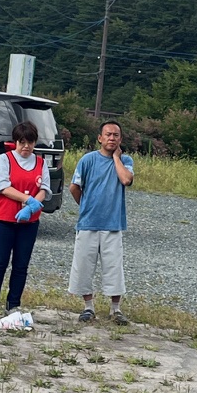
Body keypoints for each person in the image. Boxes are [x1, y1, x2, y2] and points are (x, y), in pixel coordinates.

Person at [69, 120, 135, 324]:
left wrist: (116, 158)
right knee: (84, 266)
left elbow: (126, 180)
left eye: (116, 135)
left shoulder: (126, 160)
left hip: (113, 223)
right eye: (108, 134)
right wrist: (86, 205)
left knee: (114, 267)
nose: (111, 138)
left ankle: (116, 309)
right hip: (88, 222)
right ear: (100, 138)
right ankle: (88, 307)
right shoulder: (87, 160)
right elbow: (74, 187)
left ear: (120, 139)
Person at [0, 120, 49, 313]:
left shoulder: (40, 162)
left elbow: (44, 189)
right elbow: (2, 187)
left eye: (30, 142)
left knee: (21, 265)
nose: (26, 147)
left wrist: (33, 205)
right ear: (16, 142)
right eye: (22, 142)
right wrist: (28, 200)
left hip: (29, 222)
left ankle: (13, 304)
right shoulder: (5, 160)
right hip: (3, 219)